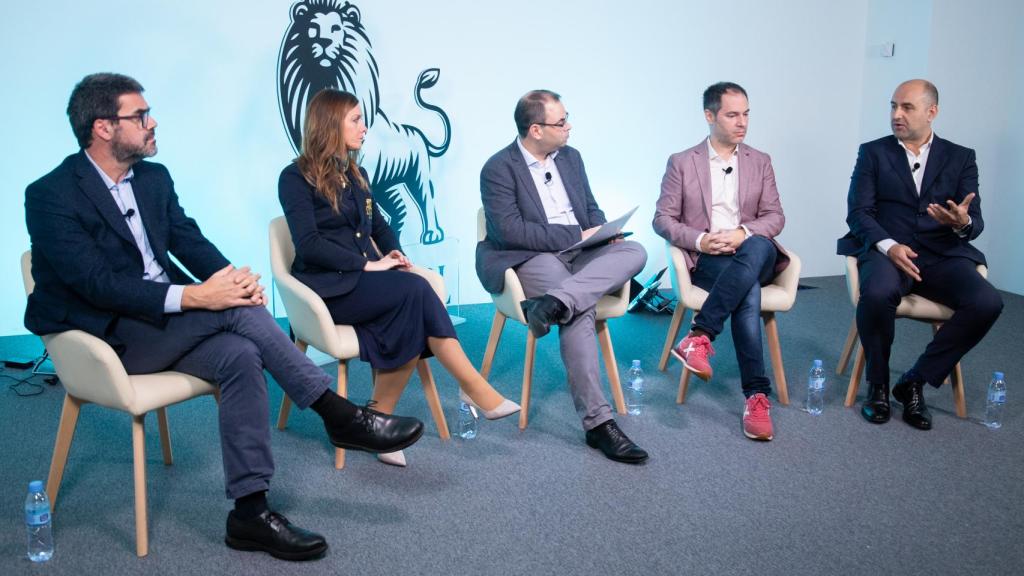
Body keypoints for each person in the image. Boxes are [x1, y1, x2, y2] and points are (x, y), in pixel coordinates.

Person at [24, 73, 425, 562]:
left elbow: (188, 239)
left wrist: (231, 280)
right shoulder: (50, 195)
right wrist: (197, 297)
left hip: (166, 325)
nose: (152, 123)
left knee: (239, 354)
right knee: (237, 316)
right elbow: (96, 285)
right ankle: (337, 415)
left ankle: (249, 514)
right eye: (140, 116)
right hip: (109, 338)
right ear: (103, 128)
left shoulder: (153, 178)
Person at [278, 89, 520, 467]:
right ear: (329, 125)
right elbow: (308, 245)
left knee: (412, 303)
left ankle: (377, 422)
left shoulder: (356, 173)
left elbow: (379, 225)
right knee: (416, 295)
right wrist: (367, 266)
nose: (364, 126)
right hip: (326, 289)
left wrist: (395, 254)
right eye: (356, 120)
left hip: (361, 282)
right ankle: (472, 388)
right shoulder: (294, 177)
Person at [477, 89, 649, 464]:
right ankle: (599, 424)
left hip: (582, 255)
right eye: (561, 122)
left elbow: (588, 208)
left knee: (635, 251)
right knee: (580, 309)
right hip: (531, 257)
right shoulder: (498, 168)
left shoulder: (571, 157)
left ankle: (553, 303)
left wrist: (605, 230)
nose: (569, 127)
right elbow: (511, 231)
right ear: (536, 130)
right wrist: (576, 235)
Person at [837, 79, 1002, 430]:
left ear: (932, 112)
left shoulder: (961, 158)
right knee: (878, 293)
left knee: (988, 302)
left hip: (941, 255)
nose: (896, 114)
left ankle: (914, 381)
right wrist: (889, 246)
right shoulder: (873, 152)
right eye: (893, 106)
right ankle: (878, 386)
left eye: (906, 107)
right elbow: (858, 212)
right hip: (888, 251)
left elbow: (976, 221)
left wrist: (961, 222)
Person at [653, 82, 789, 441]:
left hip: (753, 252)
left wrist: (744, 233)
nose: (742, 122)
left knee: (759, 246)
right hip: (711, 258)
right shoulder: (682, 162)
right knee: (747, 294)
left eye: (746, 114)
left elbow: (775, 216)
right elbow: (662, 219)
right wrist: (702, 240)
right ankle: (757, 395)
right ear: (709, 116)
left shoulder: (760, 161)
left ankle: (700, 336)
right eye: (732, 114)